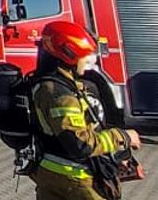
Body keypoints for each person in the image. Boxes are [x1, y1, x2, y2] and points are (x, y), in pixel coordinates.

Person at [28, 20, 141, 199]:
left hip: (52, 173)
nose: (90, 60)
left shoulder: (52, 83)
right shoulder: (60, 94)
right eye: (86, 55)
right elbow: (81, 145)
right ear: (69, 53)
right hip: (74, 178)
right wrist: (124, 137)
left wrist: (120, 155)